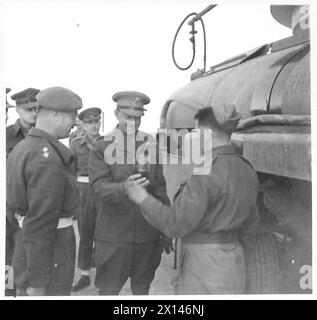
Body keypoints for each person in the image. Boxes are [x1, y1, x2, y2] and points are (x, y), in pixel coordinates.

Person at [126, 104, 260, 294]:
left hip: (203, 264)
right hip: (234, 260)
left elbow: (175, 224)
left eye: (196, 131)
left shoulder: (206, 170)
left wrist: (142, 198)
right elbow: (251, 225)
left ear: (208, 133)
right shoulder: (246, 168)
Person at [89, 91, 172, 295]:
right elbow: (98, 188)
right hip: (114, 237)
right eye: (128, 117)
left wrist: (166, 228)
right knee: (108, 291)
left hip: (147, 235)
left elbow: (160, 188)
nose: (133, 122)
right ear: (116, 114)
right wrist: (124, 187)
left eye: (137, 117)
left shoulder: (151, 144)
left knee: (142, 290)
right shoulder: (102, 146)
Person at [6, 86, 82, 296]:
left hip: (28, 250)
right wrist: (38, 282)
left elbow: (14, 213)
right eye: (72, 115)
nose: (75, 121)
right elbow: (40, 222)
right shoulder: (46, 158)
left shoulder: (25, 147)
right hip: (51, 255)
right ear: (55, 114)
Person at [70, 107, 102, 292]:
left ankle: (103, 270)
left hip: (102, 189)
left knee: (104, 231)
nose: (95, 125)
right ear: (82, 123)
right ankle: (84, 274)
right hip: (83, 191)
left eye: (97, 121)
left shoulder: (106, 141)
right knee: (85, 232)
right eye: (90, 122)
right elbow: (70, 170)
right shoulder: (75, 142)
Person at [6, 87, 40, 156]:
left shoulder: (45, 133)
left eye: (36, 109)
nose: (34, 113)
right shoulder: (6, 134)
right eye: (29, 109)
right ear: (17, 110)